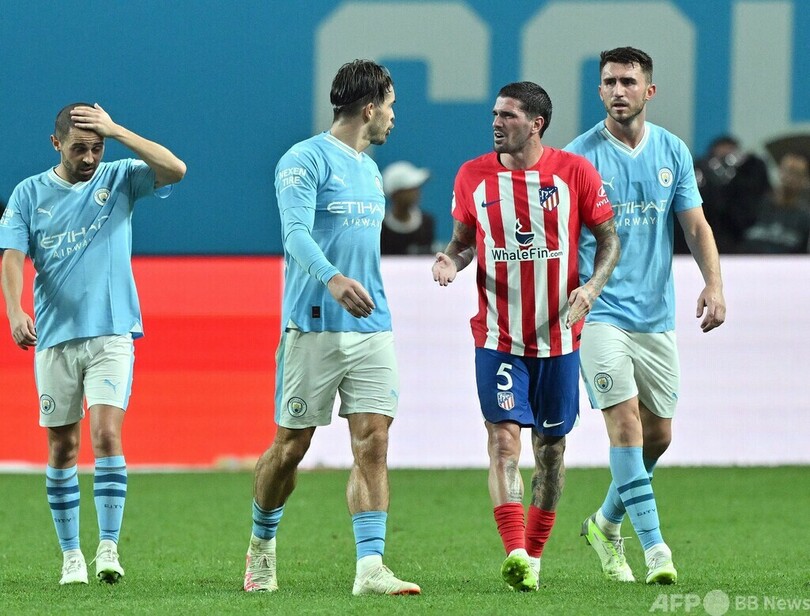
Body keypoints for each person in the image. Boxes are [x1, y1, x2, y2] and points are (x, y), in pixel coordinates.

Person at [432, 81, 620, 591]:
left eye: (508, 115)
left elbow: (609, 239)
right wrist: (450, 260)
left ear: (536, 124)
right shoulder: (472, 176)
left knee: (551, 450)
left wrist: (592, 287)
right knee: (502, 441)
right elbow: (462, 241)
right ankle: (515, 549)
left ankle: (533, 556)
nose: (496, 123)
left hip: (559, 339)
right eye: (495, 114)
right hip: (498, 337)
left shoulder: (574, 173)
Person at [243, 59, 420, 597]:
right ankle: (261, 546)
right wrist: (333, 279)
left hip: (371, 326)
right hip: (313, 325)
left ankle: (370, 567)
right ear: (369, 108)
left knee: (374, 441)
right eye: (390, 105)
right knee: (291, 447)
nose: (393, 116)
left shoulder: (370, 170)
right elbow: (295, 234)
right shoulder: (303, 160)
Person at [0, 103, 186, 585]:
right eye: (79, 148)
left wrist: (117, 131)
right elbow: (12, 256)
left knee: (106, 435)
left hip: (112, 332)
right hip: (55, 338)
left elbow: (175, 169)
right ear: (56, 143)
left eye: (96, 148)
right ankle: (71, 556)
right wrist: (14, 310)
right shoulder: (28, 194)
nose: (89, 158)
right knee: (63, 447)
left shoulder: (119, 177)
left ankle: (107, 547)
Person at [565, 46, 726, 585]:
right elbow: (559, 237)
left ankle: (604, 523)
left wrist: (714, 283)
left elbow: (695, 226)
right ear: (599, 90)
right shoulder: (579, 158)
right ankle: (656, 550)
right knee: (626, 426)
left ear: (649, 91)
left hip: (655, 314)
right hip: (599, 312)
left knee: (658, 435)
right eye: (609, 82)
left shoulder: (672, 151)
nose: (618, 90)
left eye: (628, 82)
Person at [679, 135, 770, 254]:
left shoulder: (750, 169)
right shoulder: (698, 171)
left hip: (737, 237)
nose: (726, 157)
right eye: (721, 156)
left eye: (730, 153)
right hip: (699, 234)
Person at [737, 152, 810, 253]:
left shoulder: (805, 218)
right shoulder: (755, 204)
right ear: (779, 171)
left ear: (805, 180)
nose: (790, 178)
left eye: (796, 173)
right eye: (788, 171)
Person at [380, 160, 435, 255]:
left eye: (417, 187)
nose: (417, 192)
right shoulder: (379, 227)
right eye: (410, 188)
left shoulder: (427, 222)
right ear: (396, 194)